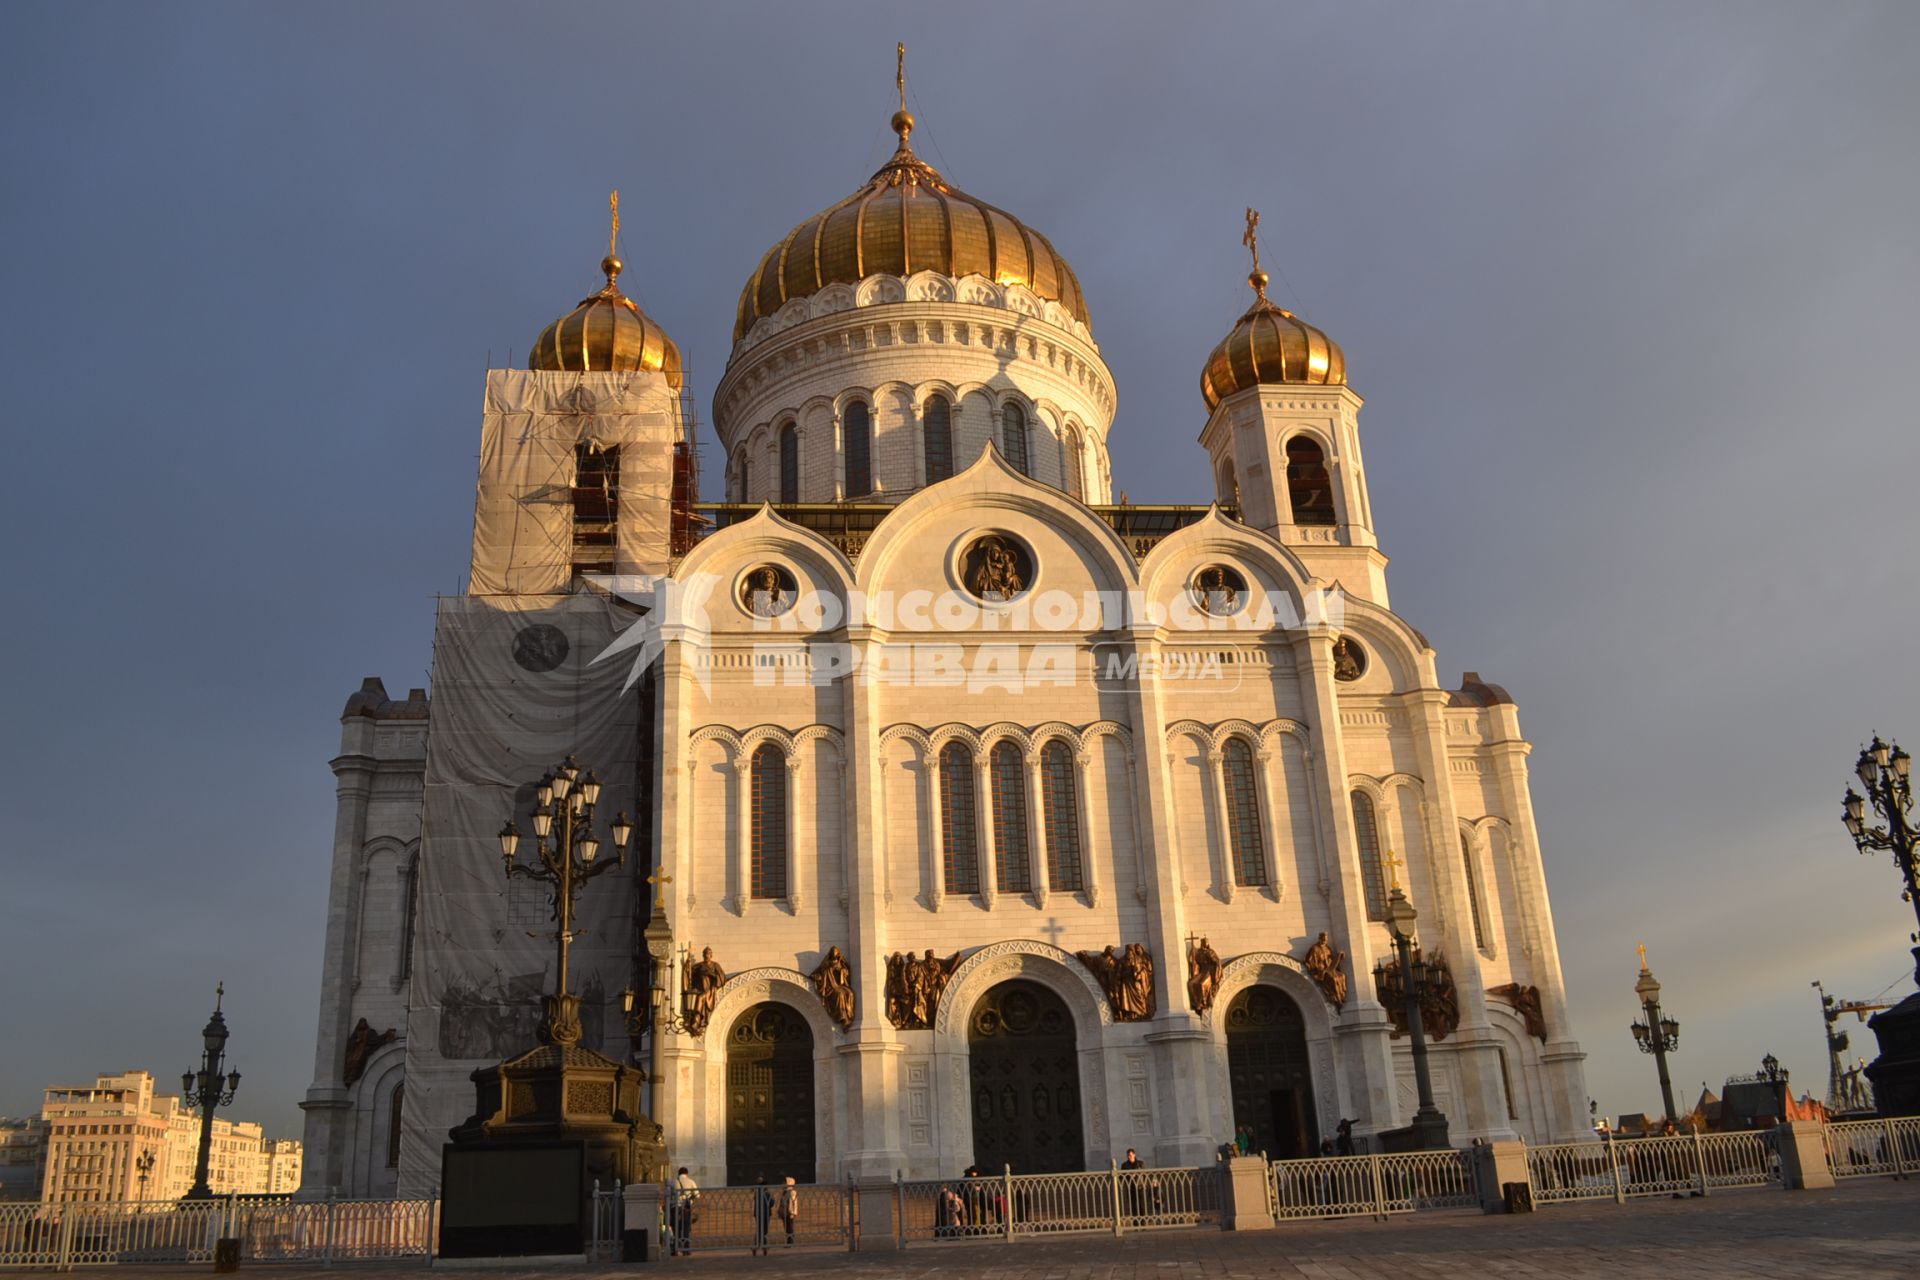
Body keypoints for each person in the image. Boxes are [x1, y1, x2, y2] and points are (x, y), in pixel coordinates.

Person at [672, 1167, 699, 1256]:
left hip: (676, 1207)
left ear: (679, 1173)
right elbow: (697, 1195)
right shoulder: (691, 1181)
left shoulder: (674, 1182)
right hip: (686, 1208)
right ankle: (686, 1249)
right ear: (686, 1173)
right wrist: (690, 1199)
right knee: (686, 1229)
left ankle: (675, 1249)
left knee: (676, 1228)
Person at [752, 1174, 772, 1255]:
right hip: (765, 1214)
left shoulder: (757, 1193)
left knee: (760, 1231)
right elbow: (771, 1203)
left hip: (758, 1214)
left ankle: (757, 1246)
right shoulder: (766, 1193)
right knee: (764, 1231)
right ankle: (762, 1246)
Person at [780, 1176, 798, 1246]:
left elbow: (792, 1203)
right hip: (785, 1212)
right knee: (787, 1228)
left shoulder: (792, 1192)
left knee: (790, 1228)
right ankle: (789, 1241)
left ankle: (790, 1242)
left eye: (784, 1182)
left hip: (789, 1213)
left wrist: (791, 1213)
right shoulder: (785, 1192)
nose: (783, 1183)